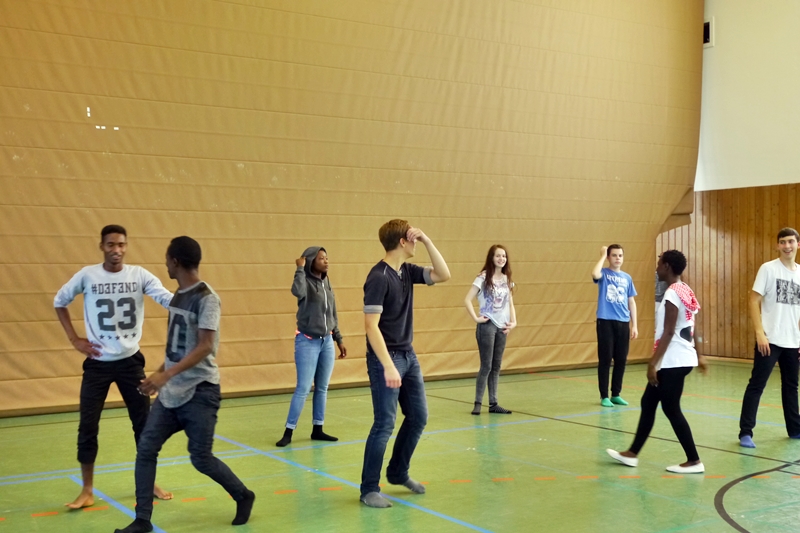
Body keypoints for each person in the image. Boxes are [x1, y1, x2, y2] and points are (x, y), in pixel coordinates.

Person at [115, 236, 255, 533]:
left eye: (167, 259)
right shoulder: (178, 295)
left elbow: (205, 346)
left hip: (200, 391)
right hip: (171, 394)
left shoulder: (207, 298)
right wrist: (158, 375)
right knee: (146, 448)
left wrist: (165, 376)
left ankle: (243, 495)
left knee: (201, 458)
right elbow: (176, 349)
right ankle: (142, 520)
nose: (165, 263)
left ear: (175, 261)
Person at [54, 225, 173, 509]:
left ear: (126, 246)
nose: (116, 250)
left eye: (121, 244)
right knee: (88, 426)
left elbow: (167, 299)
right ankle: (87, 490)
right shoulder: (88, 275)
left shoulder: (139, 275)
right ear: (102, 247)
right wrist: (74, 339)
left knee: (144, 425)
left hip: (130, 362)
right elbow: (60, 301)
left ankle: (148, 482)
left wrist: (191, 297)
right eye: (110, 245)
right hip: (97, 364)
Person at [359, 220, 450, 509]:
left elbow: (443, 274)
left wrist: (427, 240)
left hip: (409, 356)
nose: (415, 243)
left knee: (418, 417)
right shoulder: (378, 277)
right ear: (402, 241)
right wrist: (387, 365)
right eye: (412, 238)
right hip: (386, 358)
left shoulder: (407, 272)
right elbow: (371, 326)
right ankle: (369, 489)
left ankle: (398, 472)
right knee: (384, 424)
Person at [606, 249, 707, 474]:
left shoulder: (672, 293)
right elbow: (693, 327)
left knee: (671, 409)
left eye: (659, 263)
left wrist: (653, 363)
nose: (657, 267)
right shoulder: (685, 289)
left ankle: (694, 460)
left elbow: (669, 332)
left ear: (668, 266)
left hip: (673, 360)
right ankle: (632, 454)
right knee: (649, 402)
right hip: (681, 358)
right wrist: (699, 354)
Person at [276, 246, 347, 447]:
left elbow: (332, 313)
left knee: (322, 388)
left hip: (327, 341)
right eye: (321, 258)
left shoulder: (326, 282)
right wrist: (299, 269)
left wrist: (338, 338)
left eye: (327, 258)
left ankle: (318, 428)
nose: (326, 261)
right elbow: (296, 292)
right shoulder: (304, 281)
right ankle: (289, 431)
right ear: (310, 261)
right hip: (307, 341)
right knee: (303, 388)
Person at [738, 227, 800, 448]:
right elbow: (754, 300)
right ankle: (746, 432)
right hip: (769, 340)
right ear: (777, 245)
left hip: (793, 341)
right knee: (757, 385)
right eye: (783, 242)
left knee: (791, 387)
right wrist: (759, 333)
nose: (787, 246)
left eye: (791, 241)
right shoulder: (768, 269)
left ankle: (795, 429)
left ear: (798, 244)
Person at [464, 244, 517, 415]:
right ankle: (478, 402)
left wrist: (514, 322)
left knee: (496, 366)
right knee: (486, 365)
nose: (501, 259)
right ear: (491, 258)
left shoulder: (507, 279)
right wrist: (476, 318)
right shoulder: (483, 277)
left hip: (502, 326)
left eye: (504, 256)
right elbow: (467, 299)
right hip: (487, 325)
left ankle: (494, 403)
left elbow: (510, 303)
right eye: (498, 256)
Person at [591, 244, 638, 407]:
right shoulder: (604, 273)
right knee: (605, 359)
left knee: (621, 359)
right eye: (614, 255)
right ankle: (604, 395)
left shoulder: (627, 278)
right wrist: (602, 256)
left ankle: (616, 394)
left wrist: (634, 325)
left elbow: (631, 301)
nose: (618, 258)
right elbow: (594, 273)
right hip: (605, 321)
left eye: (620, 255)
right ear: (609, 257)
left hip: (623, 322)